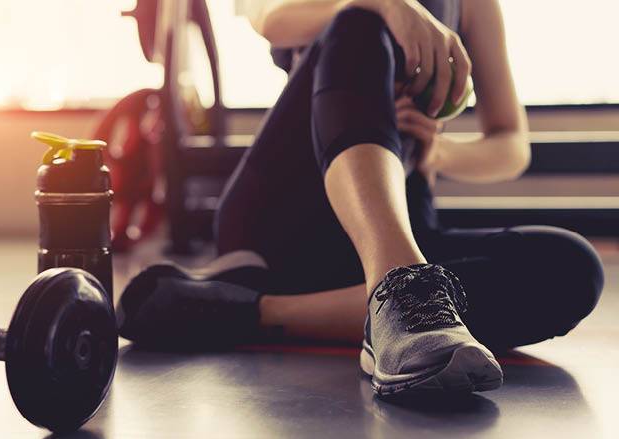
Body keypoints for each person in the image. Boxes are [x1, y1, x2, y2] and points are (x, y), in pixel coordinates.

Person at [116, 0, 604, 396]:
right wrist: (387, 5)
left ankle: (251, 310)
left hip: (403, 226)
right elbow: (269, 18)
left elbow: (511, 145)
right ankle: (401, 290)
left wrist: (441, 152)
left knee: (572, 267)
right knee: (358, 21)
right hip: (284, 218)